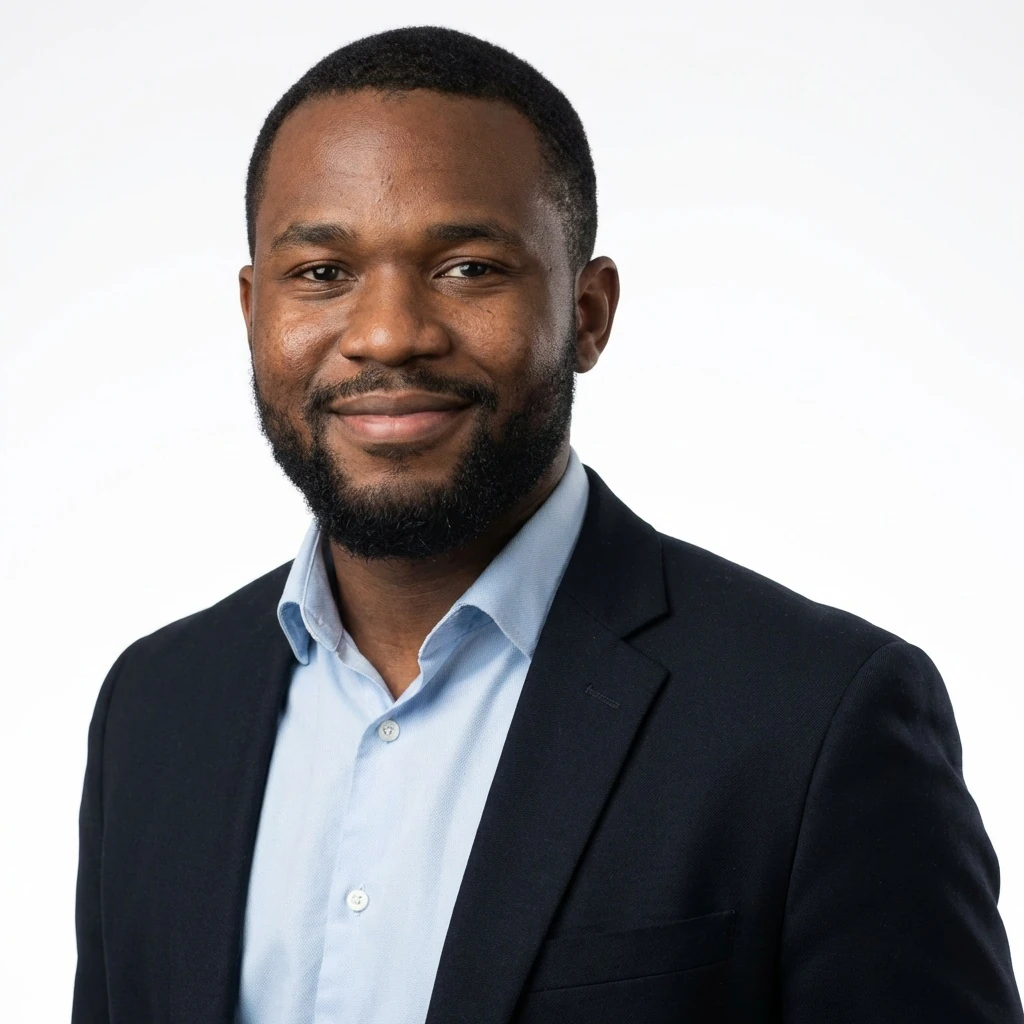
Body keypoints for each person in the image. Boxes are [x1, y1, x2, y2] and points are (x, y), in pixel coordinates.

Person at [71, 25, 1023, 1024]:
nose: (389, 332)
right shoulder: (157, 706)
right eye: (321, 274)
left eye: (469, 266)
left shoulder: (816, 719)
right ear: (253, 308)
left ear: (590, 312)